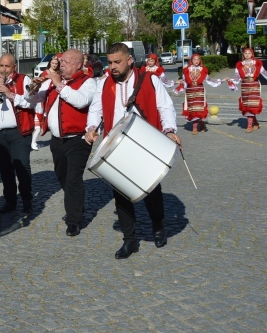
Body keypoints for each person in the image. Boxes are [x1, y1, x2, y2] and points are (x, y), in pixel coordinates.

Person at [85, 43, 182, 259]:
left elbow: (165, 107)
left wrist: (169, 130)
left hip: (145, 142)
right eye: (109, 62)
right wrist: (91, 128)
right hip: (116, 146)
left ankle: (158, 226)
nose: (112, 67)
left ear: (129, 60)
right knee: (120, 194)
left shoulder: (150, 79)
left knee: (151, 190)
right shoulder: (104, 84)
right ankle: (129, 240)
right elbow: (96, 110)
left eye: (117, 62)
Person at [27, 48, 96, 237]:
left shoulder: (88, 82)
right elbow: (32, 101)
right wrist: (33, 90)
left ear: (78, 65)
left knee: (73, 178)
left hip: (78, 139)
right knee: (62, 176)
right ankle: (76, 204)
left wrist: (59, 84)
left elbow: (81, 101)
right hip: (57, 140)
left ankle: (74, 220)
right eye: (61, 61)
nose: (61, 64)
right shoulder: (53, 83)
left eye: (66, 61)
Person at [0, 54, 36, 215]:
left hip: (19, 132)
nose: (3, 70)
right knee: (5, 169)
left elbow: (32, 101)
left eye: (7, 67)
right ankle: (10, 201)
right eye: (1, 66)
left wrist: (10, 94)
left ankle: (27, 200)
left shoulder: (24, 80)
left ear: (14, 67)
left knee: (22, 166)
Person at [174, 53, 220, 134]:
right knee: (192, 109)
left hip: (199, 90)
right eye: (194, 59)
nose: (196, 61)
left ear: (200, 61)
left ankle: (195, 128)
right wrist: (180, 87)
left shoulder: (203, 70)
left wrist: (221, 81)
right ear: (191, 60)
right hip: (190, 90)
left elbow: (209, 79)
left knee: (198, 108)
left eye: (198, 59)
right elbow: (184, 81)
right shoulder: (187, 70)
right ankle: (201, 123)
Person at [225, 47, 267, 132]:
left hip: (254, 85)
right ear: (243, 54)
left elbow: (264, 73)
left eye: (249, 53)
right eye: (245, 53)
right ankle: (255, 123)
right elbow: (237, 77)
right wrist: (231, 80)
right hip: (245, 86)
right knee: (247, 105)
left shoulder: (257, 63)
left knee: (253, 104)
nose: (247, 55)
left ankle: (249, 126)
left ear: (252, 54)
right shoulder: (240, 64)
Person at [31, 55, 60, 150]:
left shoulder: (58, 73)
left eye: (56, 63)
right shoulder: (45, 73)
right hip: (43, 98)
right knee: (39, 121)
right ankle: (33, 142)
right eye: (53, 63)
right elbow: (40, 85)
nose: (54, 65)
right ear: (50, 63)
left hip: (53, 97)